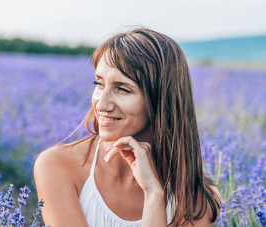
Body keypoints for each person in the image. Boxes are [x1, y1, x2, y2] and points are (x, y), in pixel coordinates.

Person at [34, 27, 221, 227]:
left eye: (122, 89)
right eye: (99, 84)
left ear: (160, 101)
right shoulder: (57, 165)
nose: (101, 104)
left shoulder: (198, 200)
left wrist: (154, 195)